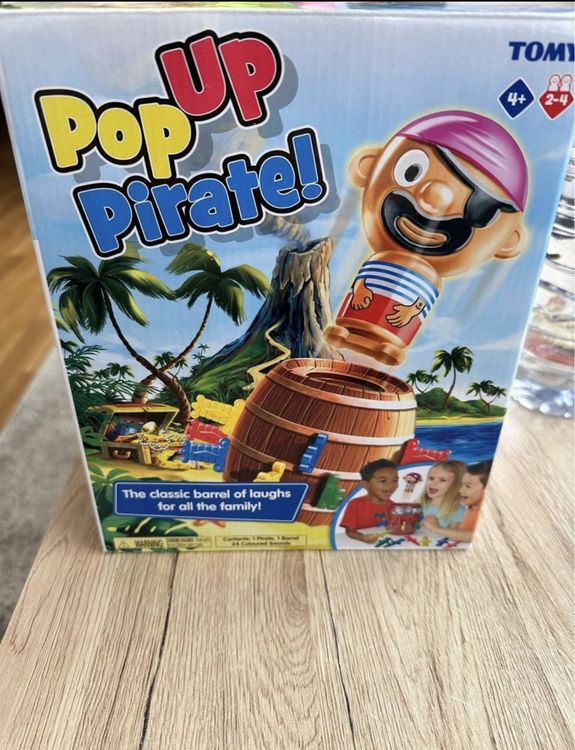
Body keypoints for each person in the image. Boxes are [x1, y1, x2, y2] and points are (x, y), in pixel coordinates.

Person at [324, 110, 529, 365]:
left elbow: (419, 303)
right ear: (368, 166)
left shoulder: (430, 280)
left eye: (480, 208)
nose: (434, 201)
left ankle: (387, 345)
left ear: (509, 241)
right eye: (411, 171)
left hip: (393, 335)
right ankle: (348, 333)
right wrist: (362, 289)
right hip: (352, 318)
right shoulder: (379, 260)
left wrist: (410, 309)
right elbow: (364, 283)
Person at [340, 458, 399, 544]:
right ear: (366, 485)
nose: (390, 485)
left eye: (395, 480)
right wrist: (363, 538)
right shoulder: (355, 504)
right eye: (383, 481)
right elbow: (350, 531)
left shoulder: (395, 507)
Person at [436, 460, 492, 543]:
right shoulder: (470, 507)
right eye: (462, 484)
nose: (461, 490)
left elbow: (477, 536)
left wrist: (436, 528)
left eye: (468, 486)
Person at [419, 460, 466, 533]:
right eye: (431, 478)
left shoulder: (458, 511)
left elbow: (453, 537)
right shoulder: (419, 502)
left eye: (442, 480)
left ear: (456, 485)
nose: (433, 483)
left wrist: (437, 527)